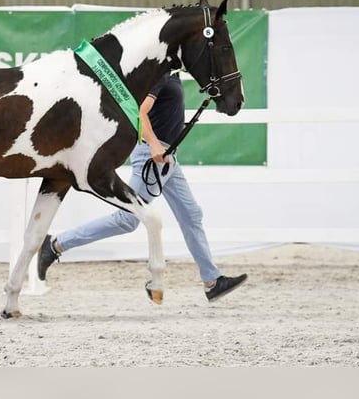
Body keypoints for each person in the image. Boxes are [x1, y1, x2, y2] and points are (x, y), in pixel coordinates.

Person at [37, 70, 248, 302]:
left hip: (168, 158)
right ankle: (56, 244)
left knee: (191, 215)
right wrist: (155, 145)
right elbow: (139, 112)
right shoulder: (160, 75)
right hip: (154, 156)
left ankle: (212, 281)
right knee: (127, 219)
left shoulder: (173, 75)